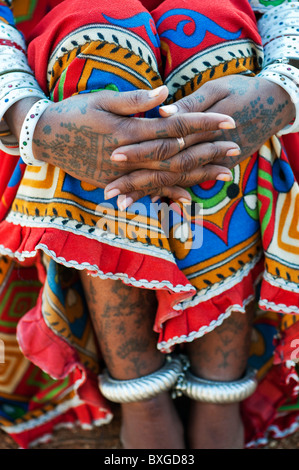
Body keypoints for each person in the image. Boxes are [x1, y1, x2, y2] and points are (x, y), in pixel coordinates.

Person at [0, 0, 298, 449]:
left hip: (255, 110)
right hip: (43, 122)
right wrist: (28, 120)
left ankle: (220, 388)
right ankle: (140, 390)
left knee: (207, 23)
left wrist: (285, 87)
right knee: (97, 27)